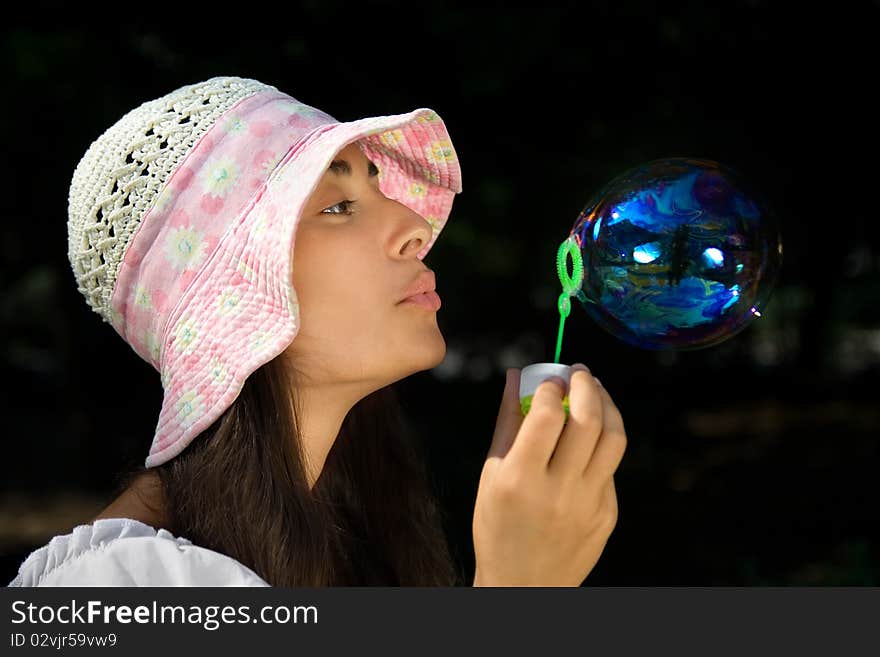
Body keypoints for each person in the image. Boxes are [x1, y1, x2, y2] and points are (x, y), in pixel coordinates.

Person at [8, 76, 626, 587]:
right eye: (336, 206)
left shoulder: (341, 549)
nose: (415, 223)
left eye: (378, 184)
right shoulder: (122, 588)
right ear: (234, 295)